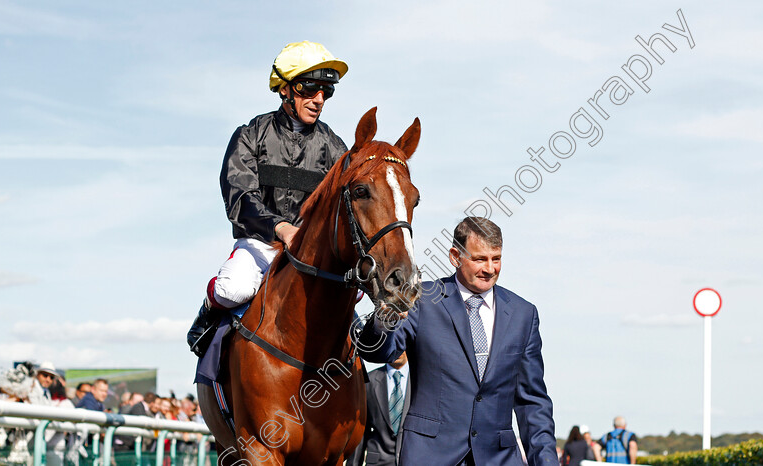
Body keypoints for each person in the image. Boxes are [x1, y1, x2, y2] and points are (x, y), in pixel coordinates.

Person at [187, 40, 349, 363]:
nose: (318, 100)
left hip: (311, 253)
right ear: (285, 89)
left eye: (326, 92)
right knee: (233, 289)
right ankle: (207, 315)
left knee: (352, 296)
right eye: (309, 88)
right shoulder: (250, 135)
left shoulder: (334, 147)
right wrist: (280, 228)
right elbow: (239, 194)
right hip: (260, 244)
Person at [357, 217, 558, 465]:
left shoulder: (523, 314)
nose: (490, 268)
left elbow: (532, 401)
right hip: (430, 456)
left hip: (500, 458)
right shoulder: (421, 300)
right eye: (479, 259)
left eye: (496, 258)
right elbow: (378, 353)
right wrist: (382, 321)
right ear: (455, 256)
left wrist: (546, 460)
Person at [347, 352, 410, 466]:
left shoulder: (421, 381)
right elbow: (360, 430)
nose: (398, 350)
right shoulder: (367, 381)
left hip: (413, 460)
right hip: (377, 462)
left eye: (402, 344)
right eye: (393, 345)